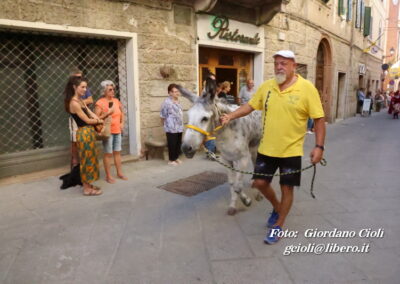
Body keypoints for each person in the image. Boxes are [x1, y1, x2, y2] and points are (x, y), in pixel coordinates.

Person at [220, 50, 326, 244]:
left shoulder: (307, 88)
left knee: (287, 188)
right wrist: (231, 115)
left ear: (294, 65)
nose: (279, 67)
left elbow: (319, 119)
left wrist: (319, 147)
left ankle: (278, 224)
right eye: (276, 63)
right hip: (266, 149)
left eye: (284, 63)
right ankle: (278, 208)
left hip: (291, 151)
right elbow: (250, 106)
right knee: (258, 183)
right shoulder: (268, 87)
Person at [64, 77, 103, 196]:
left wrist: (98, 119)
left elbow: (90, 113)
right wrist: (99, 121)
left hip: (88, 132)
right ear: (75, 87)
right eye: (82, 87)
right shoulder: (74, 103)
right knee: (86, 161)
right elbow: (86, 120)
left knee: (91, 160)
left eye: (86, 87)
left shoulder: (80, 100)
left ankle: (89, 184)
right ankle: (86, 188)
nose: (85, 89)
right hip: (83, 133)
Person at [95, 80, 128, 183]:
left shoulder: (116, 101)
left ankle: (119, 173)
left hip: (117, 130)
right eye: (110, 89)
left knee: (117, 152)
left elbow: (122, 113)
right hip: (108, 132)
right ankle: (108, 176)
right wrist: (107, 114)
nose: (113, 91)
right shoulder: (100, 103)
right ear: (104, 91)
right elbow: (96, 118)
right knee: (108, 154)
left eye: (113, 89)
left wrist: (122, 123)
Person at [67, 69, 93, 168]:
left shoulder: (84, 88)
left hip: (84, 115)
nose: (79, 79)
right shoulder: (69, 90)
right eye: (77, 77)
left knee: (85, 141)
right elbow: (68, 103)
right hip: (74, 118)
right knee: (74, 140)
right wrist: (77, 104)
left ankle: (83, 164)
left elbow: (90, 100)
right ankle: (75, 161)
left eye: (80, 77)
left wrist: (80, 104)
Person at [160, 84, 184, 166]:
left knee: (178, 143)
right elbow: (163, 115)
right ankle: (171, 160)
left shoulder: (178, 101)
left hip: (179, 126)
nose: (177, 93)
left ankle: (176, 158)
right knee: (172, 143)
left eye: (178, 91)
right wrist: (165, 125)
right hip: (171, 127)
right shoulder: (166, 103)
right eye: (175, 91)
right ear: (170, 93)